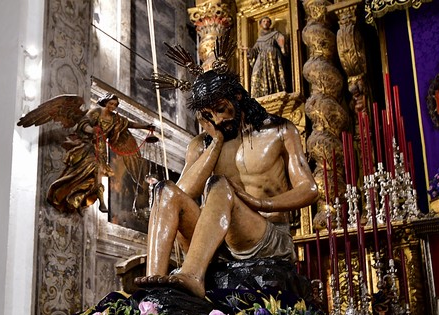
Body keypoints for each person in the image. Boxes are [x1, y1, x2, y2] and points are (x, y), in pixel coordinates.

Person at [135, 68, 318, 298]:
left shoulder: (279, 130)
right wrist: (216, 142)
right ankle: (152, 286)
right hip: (218, 243)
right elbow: (182, 194)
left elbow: (309, 189)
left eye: (221, 109)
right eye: (209, 115)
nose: (218, 119)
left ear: (237, 96)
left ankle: (192, 275)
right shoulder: (201, 145)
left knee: (220, 184)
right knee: (164, 190)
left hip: (265, 235)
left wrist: (261, 203)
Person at [47, 93, 155, 213]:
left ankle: (86, 198)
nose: (112, 106)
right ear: (105, 102)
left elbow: (129, 124)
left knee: (96, 174)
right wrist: (92, 130)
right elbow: (84, 123)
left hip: (102, 149)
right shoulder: (97, 112)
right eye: (110, 103)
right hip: (89, 145)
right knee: (89, 169)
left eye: (115, 105)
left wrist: (145, 126)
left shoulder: (115, 118)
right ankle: (99, 201)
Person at [248, 16, 288, 98]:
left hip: (272, 56)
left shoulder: (275, 34)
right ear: (260, 24)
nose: (266, 23)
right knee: (256, 71)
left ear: (270, 24)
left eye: (267, 21)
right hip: (261, 58)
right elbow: (254, 50)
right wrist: (249, 50)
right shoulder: (259, 39)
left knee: (273, 72)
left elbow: (281, 40)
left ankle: (275, 90)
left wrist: (282, 46)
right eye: (264, 21)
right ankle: (259, 93)